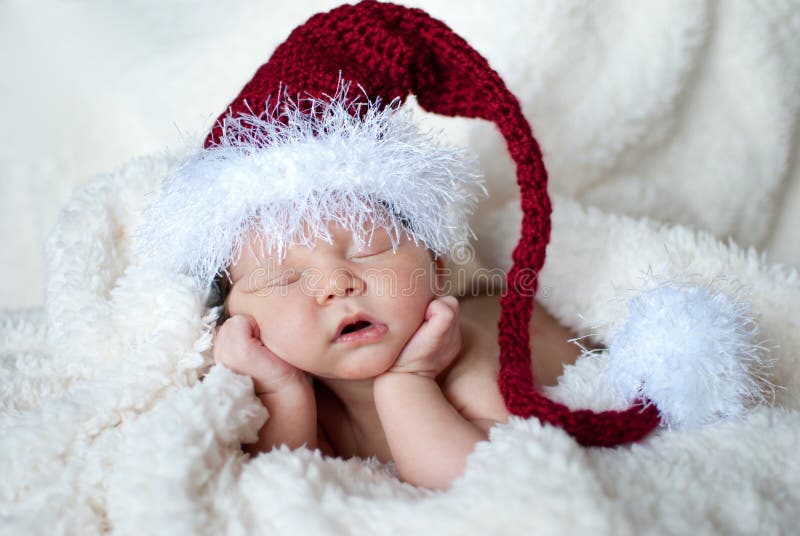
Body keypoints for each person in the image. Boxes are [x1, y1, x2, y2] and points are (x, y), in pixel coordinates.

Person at [209, 208, 585, 491]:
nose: (338, 283)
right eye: (283, 278)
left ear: (436, 270)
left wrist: (409, 381)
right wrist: (282, 388)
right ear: (236, 322)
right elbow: (283, 488)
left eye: (370, 251)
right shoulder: (305, 400)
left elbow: (486, 484)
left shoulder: (468, 356)